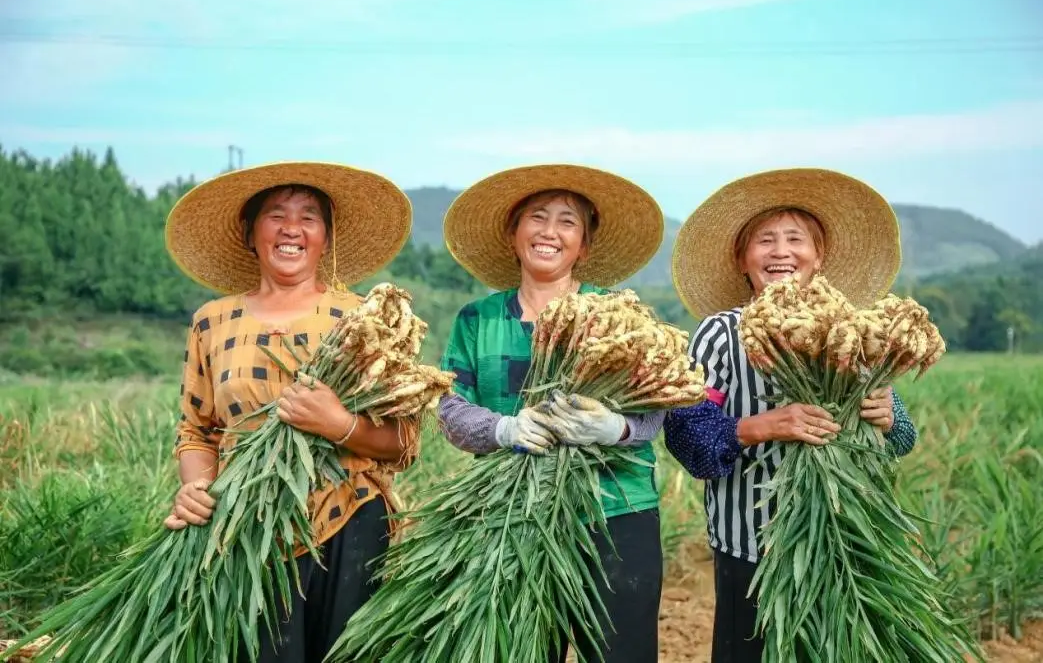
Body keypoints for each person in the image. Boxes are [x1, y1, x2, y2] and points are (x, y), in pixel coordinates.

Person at [162, 161, 419, 662]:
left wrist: (338, 424)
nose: (292, 229)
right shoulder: (212, 322)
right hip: (246, 523)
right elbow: (197, 430)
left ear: (325, 237)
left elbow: (404, 441)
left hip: (349, 519)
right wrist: (195, 486)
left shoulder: (362, 319)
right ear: (249, 233)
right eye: (276, 214)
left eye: (309, 217)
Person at [664, 168, 919, 663]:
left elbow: (903, 438)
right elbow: (686, 434)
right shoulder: (721, 333)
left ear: (818, 257)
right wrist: (760, 426)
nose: (780, 252)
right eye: (764, 241)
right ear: (743, 259)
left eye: (795, 239)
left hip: (850, 541)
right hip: (752, 544)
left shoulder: (854, 331)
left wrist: (889, 416)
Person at [438, 164, 667, 663]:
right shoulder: (477, 319)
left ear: (583, 246)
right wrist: (503, 428)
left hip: (615, 512)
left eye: (567, 222)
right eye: (536, 218)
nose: (549, 232)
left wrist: (618, 427)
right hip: (508, 515)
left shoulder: (618, 314)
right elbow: (450, 407)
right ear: (513, 233)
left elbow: (657, 405)